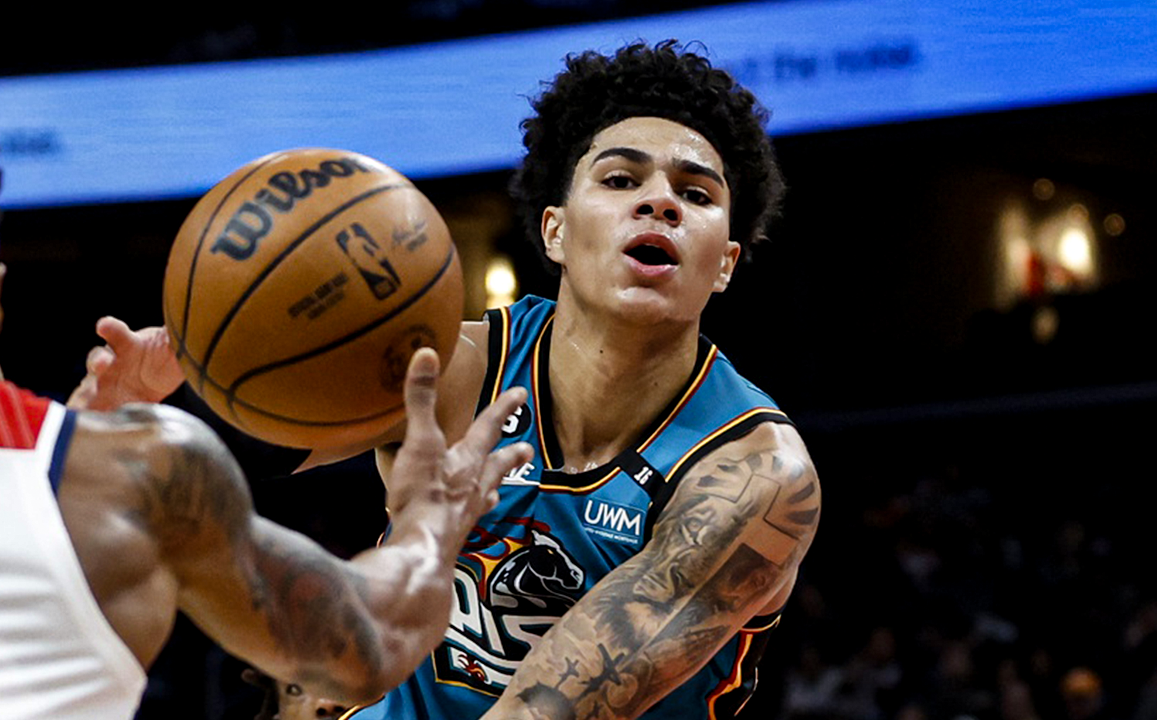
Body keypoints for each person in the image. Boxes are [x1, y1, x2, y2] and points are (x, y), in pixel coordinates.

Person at [76, 39, 822, 719]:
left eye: (696, 195)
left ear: (724, 262)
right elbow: (242, 465)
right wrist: (134, 428)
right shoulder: (457, 369)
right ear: (555, 231)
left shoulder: (753, 474)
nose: (659, 200)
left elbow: (547, 711)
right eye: (622, 177)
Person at [0, 265, 534, 718]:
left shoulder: (91, 475)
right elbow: (374, 638)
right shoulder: (127, 473)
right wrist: (430, 518)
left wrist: (88, 444)